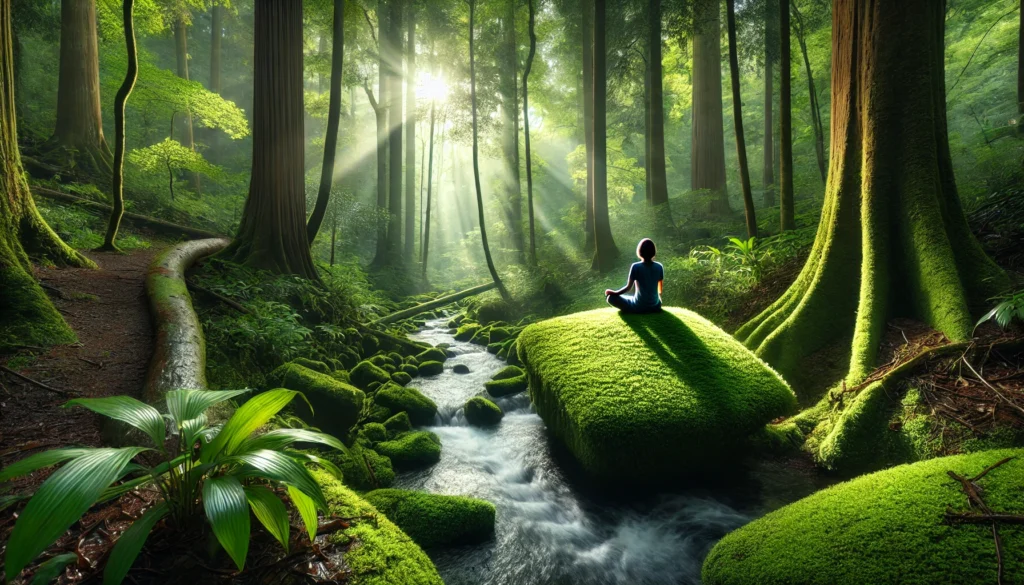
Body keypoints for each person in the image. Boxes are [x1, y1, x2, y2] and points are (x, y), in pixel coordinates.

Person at [605, 238, 664, 313]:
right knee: (632, 298)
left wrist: (614, 293)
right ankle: (650, 306)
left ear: (640, 251)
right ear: (653, 252)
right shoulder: (659, 266)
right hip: (656, 306)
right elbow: (660, 290)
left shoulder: (636, 267)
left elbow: (628, 288)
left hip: (639, 307)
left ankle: (637, 308)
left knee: (610, 298)